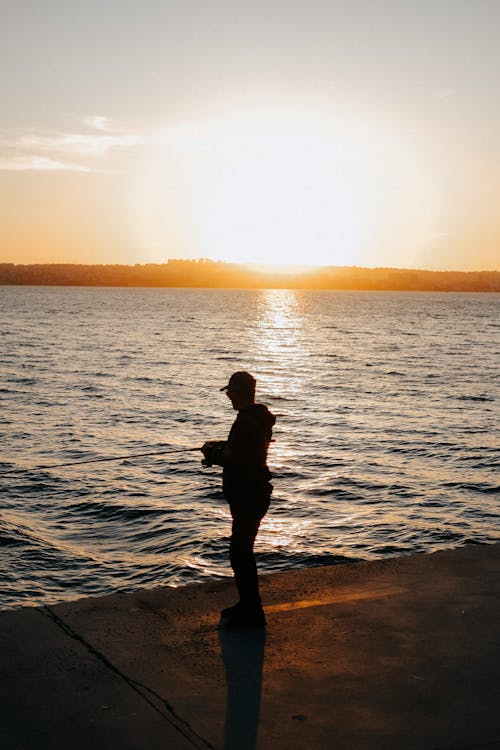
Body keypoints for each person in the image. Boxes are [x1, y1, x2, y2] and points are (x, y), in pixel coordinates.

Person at [201, 371, 275, 629]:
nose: (228, 396)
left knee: (240, 553)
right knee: (242, 552)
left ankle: (252, 612)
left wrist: (212, 453)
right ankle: (249, 607)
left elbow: (235, 456)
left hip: (248, 495)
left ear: (240, 393)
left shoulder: (246, 422)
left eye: (230, 392)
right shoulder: (256, 419)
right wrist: (220, 448)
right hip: (253, 494)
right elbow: (243, 449)